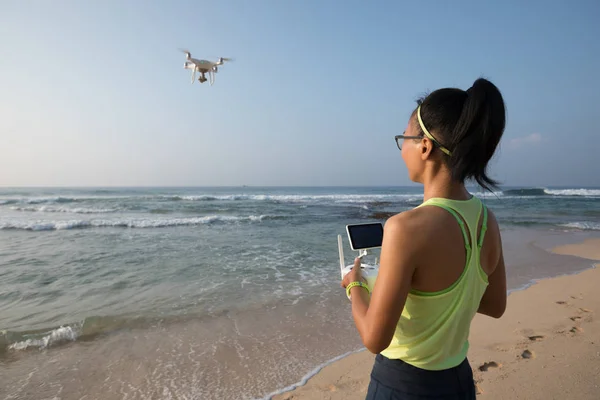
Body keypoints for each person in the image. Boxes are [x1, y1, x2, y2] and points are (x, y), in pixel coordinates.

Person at [341, 77, 508, 399]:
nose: (402, 149)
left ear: (425, 146)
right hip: (458, 380)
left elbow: (375, 339)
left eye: (404, 138)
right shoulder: (487, 220)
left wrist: (355, 285)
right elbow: (494, 304)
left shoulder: (405, 228)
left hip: (403, 384)